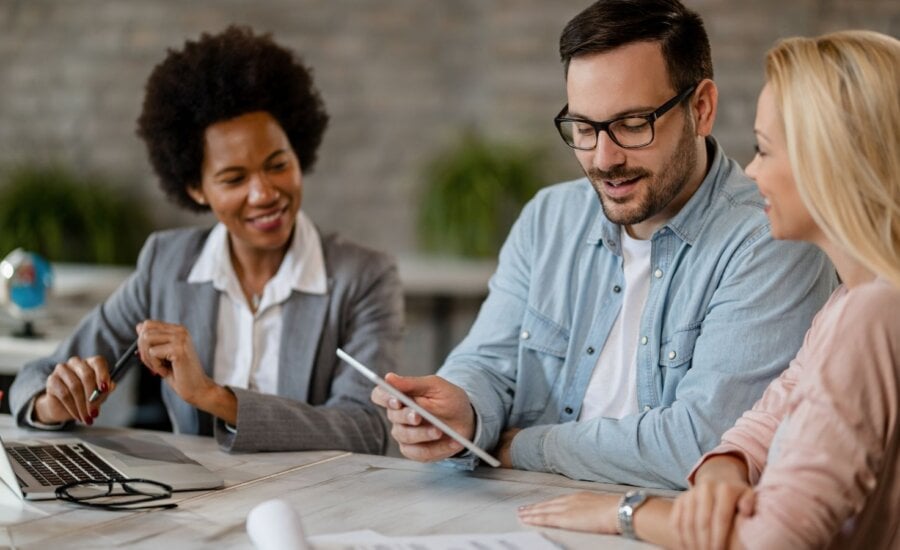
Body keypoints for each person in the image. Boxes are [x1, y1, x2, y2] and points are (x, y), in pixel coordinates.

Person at [371, 0, 836, 489]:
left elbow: (703, 443)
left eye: (633, 124)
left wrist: (516, 446)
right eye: (584, 128)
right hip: (521, 509)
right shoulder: (548, 218)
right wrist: (460, 409)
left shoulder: (771, 237)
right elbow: (488, 361)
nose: (603, 158)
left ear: (701, 109)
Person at [518, 29, 900, 549]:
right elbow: (767, 415)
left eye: (765, 150)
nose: (754, 173)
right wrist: (727, 466)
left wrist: (625, 512)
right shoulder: (851, 301)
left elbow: (773, 539)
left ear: (832, 161)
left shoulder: (875, 313)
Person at [8, 26, 404, 455]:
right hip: (196, 509)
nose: (264, 193)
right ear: (196, 188)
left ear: (299, 153)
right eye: (234, 178)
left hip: (314, 508)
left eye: (277, 165)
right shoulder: (167, 264)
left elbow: (367, 428)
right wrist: (54, 402)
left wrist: (213, 397)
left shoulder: (363, 277)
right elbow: (35, 377)